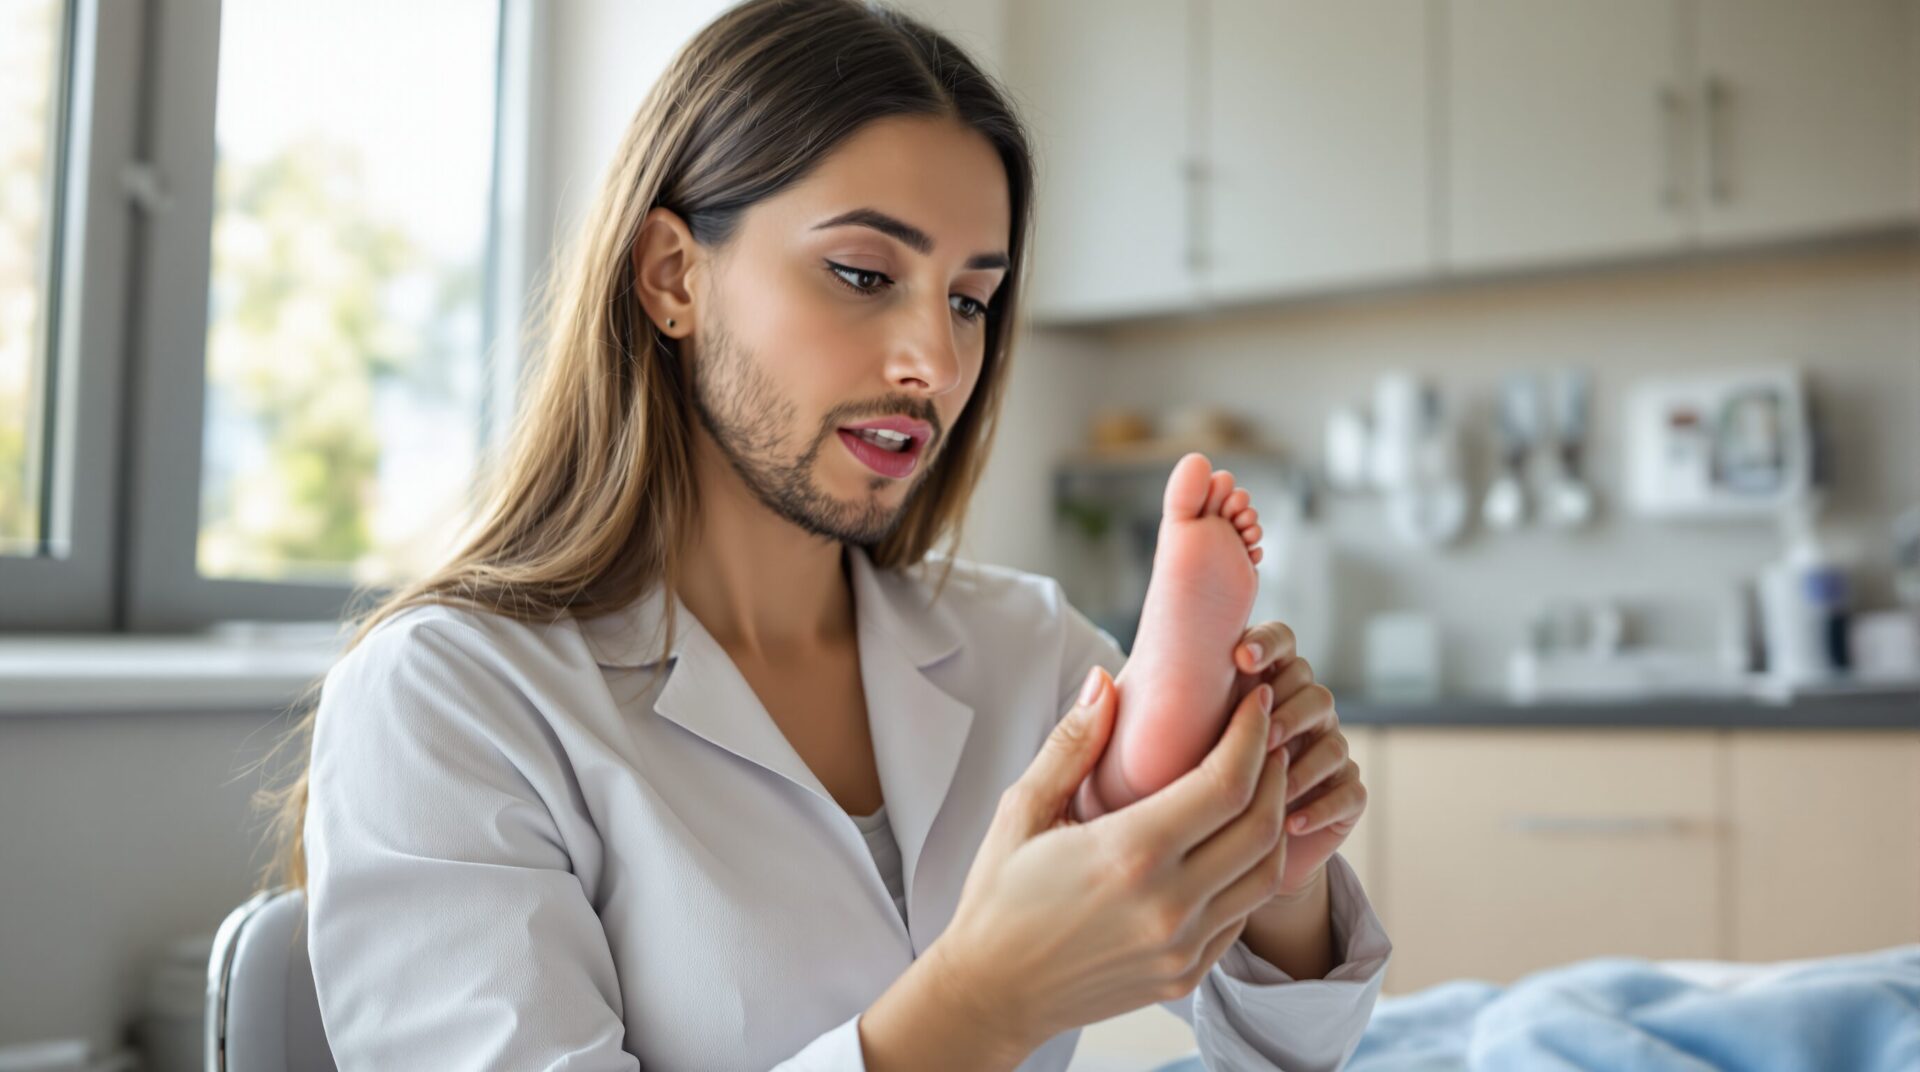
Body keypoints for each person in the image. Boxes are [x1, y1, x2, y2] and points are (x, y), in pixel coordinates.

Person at [264, 1, 1392, 1068]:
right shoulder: (448, 699)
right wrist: (983, 1003)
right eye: (863, 274)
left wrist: (1273, 875)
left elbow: (1287, 1053)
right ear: (672, 277)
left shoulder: (1032, 652)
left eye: (968, 300)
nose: (937, 366)